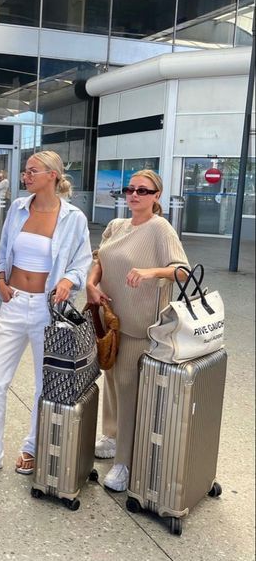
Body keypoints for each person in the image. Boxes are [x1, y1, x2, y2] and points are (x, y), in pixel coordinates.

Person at [0, 150, 92, 473]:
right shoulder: (19, 209)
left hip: (49, 309)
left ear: (53, 176)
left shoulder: (73, 218)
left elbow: (82, 262)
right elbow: (3, 250)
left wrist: (68, 281)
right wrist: (1, 279)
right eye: (25, 172)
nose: (25, 176)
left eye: (33, 171)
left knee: (44, 384)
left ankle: (33, 446)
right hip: (13, 303)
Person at [86, 170, 188, 492]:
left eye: (143, 191)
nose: (134, 195)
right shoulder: (117, 226)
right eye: (130, 189)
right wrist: (90, 283)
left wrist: (152, 271)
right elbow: (98, 258)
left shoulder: (160, 228)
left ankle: (125, 462)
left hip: (139, 324)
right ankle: (113, 435)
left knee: (130, 387)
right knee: (113, 379)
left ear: (156, 196)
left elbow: (183, 272)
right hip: (109, 317)